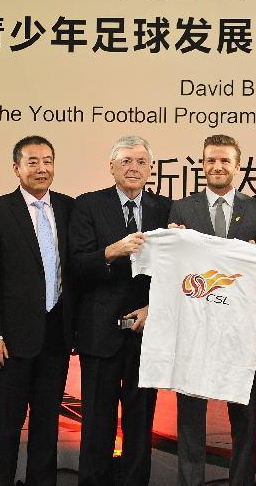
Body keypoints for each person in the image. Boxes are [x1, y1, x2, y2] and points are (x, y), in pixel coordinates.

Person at [166, 134, 256, 486]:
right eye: (211, 160)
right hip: (194, 328)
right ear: (202, 164)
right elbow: (173, 267)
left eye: (225, 161)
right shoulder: (182, 208)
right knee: (191, 419)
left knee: (244, 417)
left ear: (237, 166)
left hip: (239, 331)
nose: (217, 167)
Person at [68, 136, 171, 485]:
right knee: (97, 421)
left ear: (151, 169)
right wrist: (112, 251)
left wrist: (153, 307)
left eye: (142, 162)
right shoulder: (88, 205)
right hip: (100, 331)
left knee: (140, 422)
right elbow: (77, 265)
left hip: (147, 330)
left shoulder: (167, 209)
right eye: (126, 161)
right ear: (111, 167)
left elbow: (178, 273)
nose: (134, 168)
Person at [0, 136, 75, 486]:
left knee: (47, 426)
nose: (42, 168)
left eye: (48, 160)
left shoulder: (68, 208)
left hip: (56, 337)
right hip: (10, 342)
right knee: (5, 427)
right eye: (33, 161)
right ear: (17, 168)